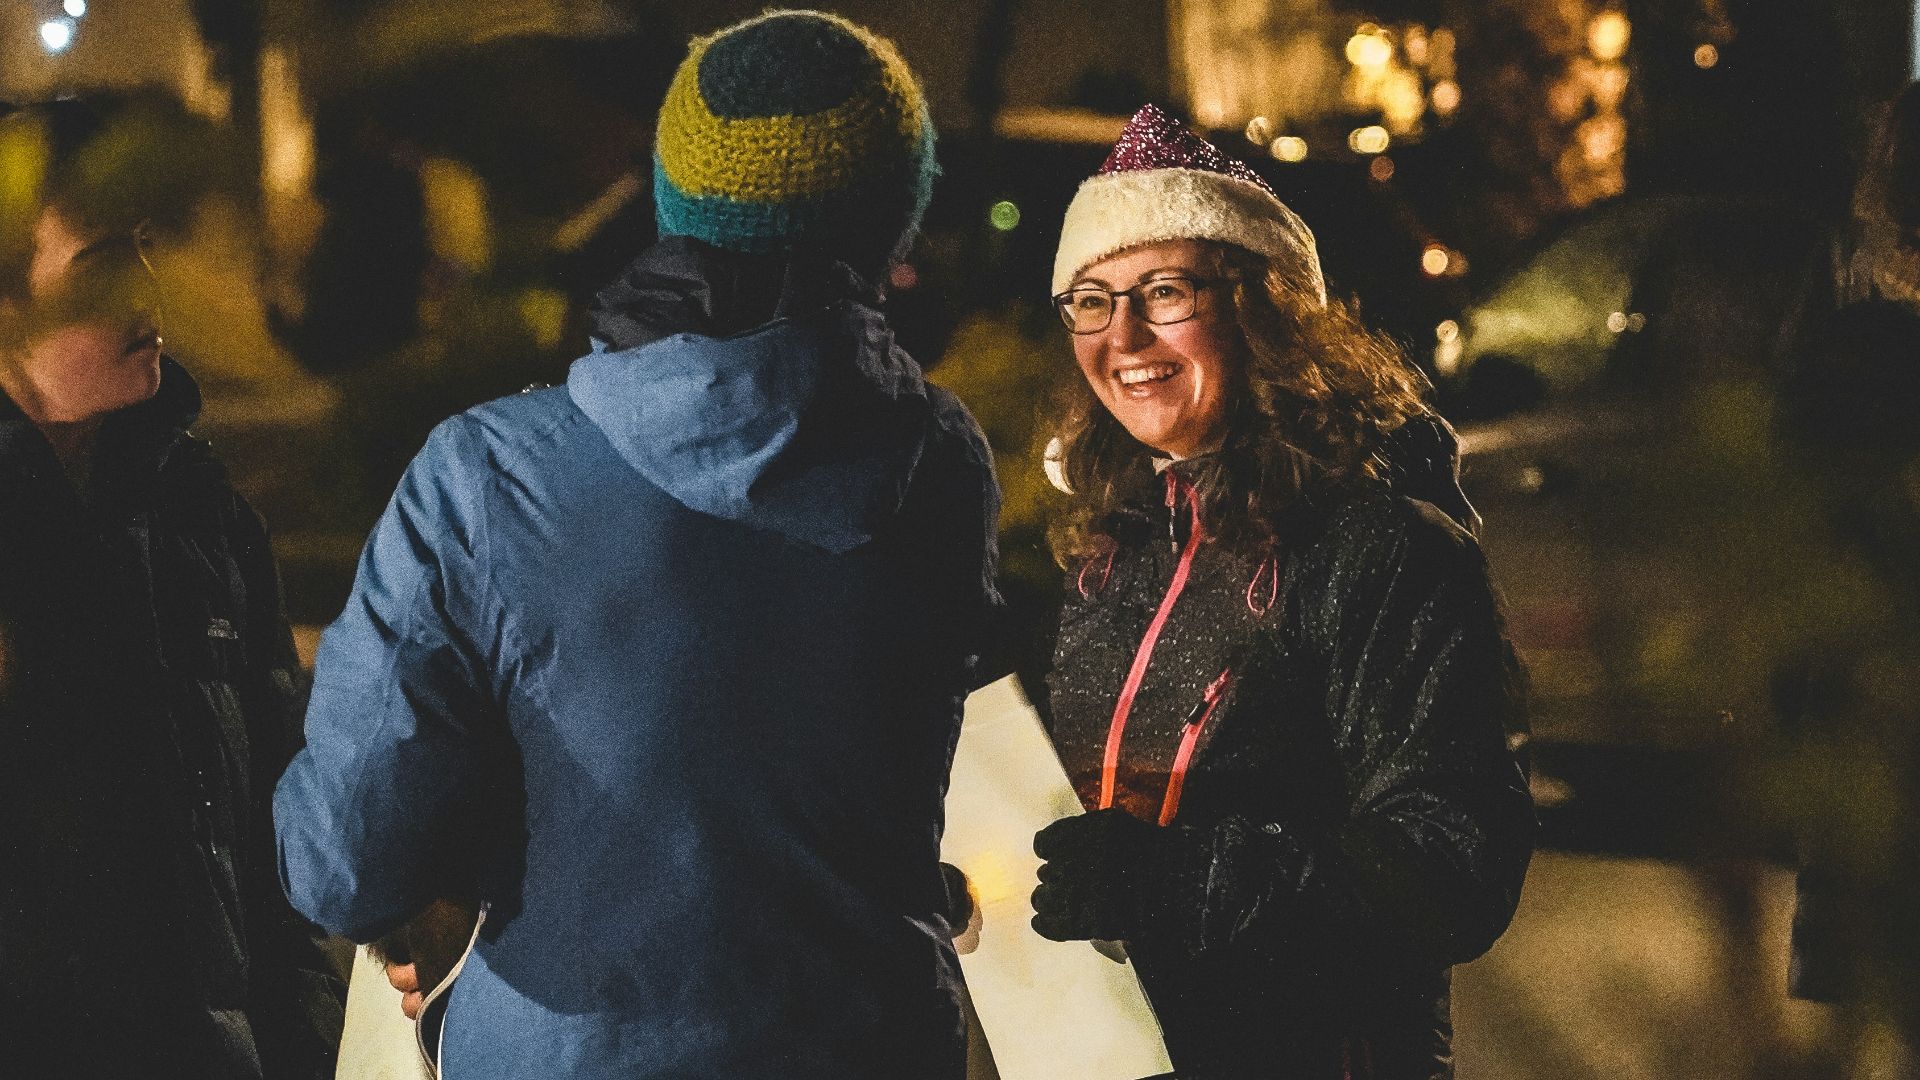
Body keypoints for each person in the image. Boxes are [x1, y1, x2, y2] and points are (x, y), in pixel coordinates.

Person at [274, 11, 998, 1079]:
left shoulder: (486, 477)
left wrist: (461, 864)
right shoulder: (941, 465)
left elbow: (343, 861)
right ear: (891, 220)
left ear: (674, 200)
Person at [1029, 105, 1534, 1079]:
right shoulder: (1120, 536)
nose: (1121, 333)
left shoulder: (1378, 543)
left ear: (1262, 306)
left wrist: (1182, 882)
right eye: (1090, 299)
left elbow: (1451, 862)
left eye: (1163, 290)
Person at [0, 98, 344, 1078]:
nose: (147, 286)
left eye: (146, 246)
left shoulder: (199, 513)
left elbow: (277, 817)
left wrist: (306, 1039)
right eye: (102, 261)